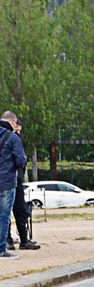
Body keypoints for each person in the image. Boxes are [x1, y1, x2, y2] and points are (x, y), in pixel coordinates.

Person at [6, 118, 38, 250]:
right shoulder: (13, 138)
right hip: (13, 179)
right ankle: (21, 240)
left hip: (9, 179)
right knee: (16, 210)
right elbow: (20, 160)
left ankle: (8, 240)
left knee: (7, 212)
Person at [0, 110, 27, 259]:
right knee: (4, 216)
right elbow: (20, 161)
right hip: (6, 181)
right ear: (12, 122)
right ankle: (1, 249)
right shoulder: (12, 137)